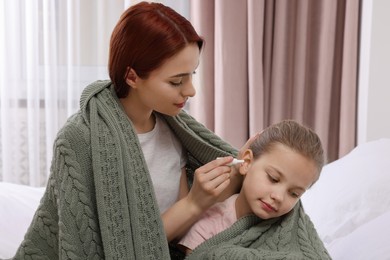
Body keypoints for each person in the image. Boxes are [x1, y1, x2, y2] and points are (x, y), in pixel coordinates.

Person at [13, 2, 244, 259]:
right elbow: (107, 248)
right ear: (132, 77)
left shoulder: (175, 129)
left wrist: (242, 169)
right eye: (176, 81)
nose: (190, 90)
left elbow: (175, 235)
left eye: (192, 75)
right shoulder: (77, 139)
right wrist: (194, 203)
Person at [179, 120, 329, 258]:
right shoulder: (208, 224)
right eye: (273, 178)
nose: (279, 197)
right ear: (247, 162)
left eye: (294, 193)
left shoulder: (290, 226)